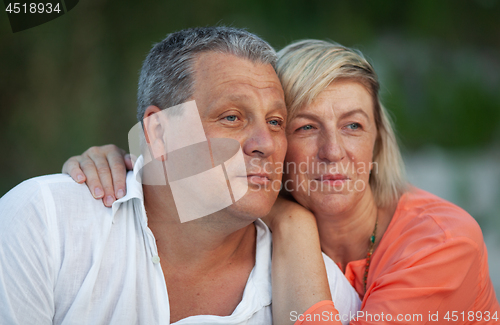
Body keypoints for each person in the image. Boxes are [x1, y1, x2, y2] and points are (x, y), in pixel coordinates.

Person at [68, 39, 500, 324]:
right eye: (306, 128)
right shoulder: (248, 234)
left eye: (353, 126)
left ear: (378, 144)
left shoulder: (443, 243)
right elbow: (182, 156)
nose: (333, 151)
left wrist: (291, 222)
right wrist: (128, 160)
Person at [0, 28, 361, 325]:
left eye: (276, 122)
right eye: (232, 117)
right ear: (159, 134)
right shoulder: (46, 224)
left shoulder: (323, 293)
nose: (265, 144)